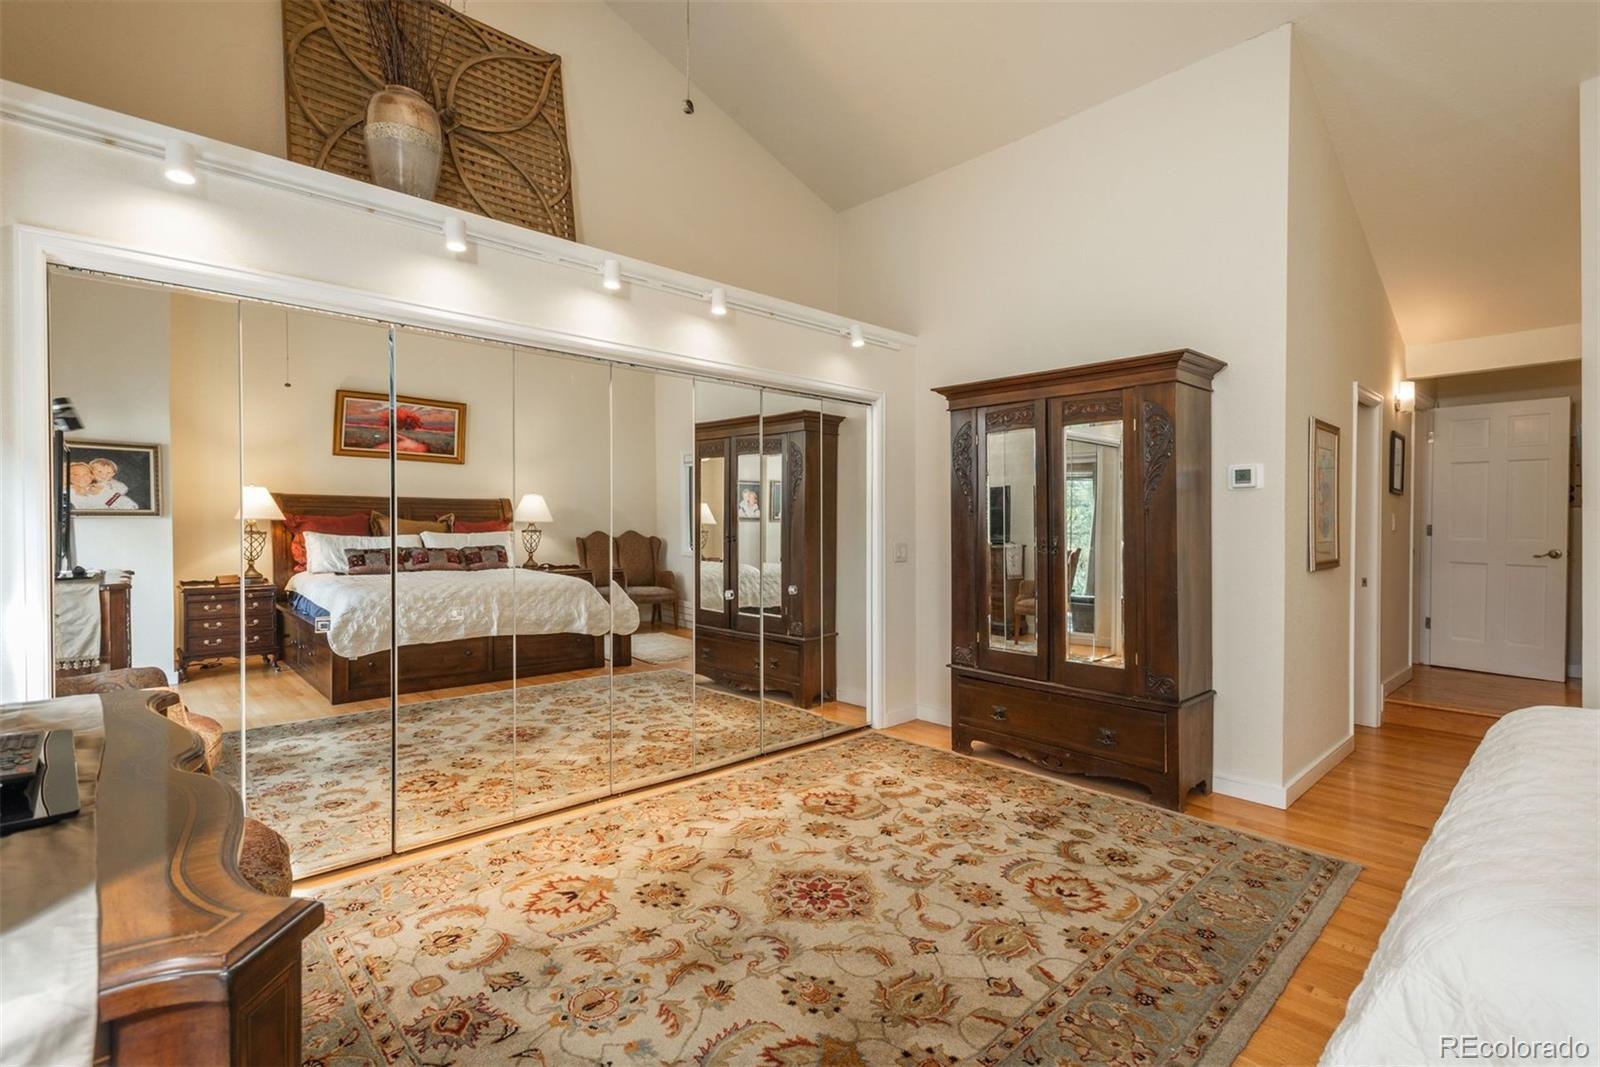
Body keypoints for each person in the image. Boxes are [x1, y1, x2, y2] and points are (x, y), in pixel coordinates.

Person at [71, 457, 139, 510]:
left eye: (108, 473)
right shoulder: (76, 490)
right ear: (91, 472)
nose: (103, 476)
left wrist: (108, 498)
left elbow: (128, 503)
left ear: (113, 474)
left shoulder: (113, 485)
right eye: (99, 472)